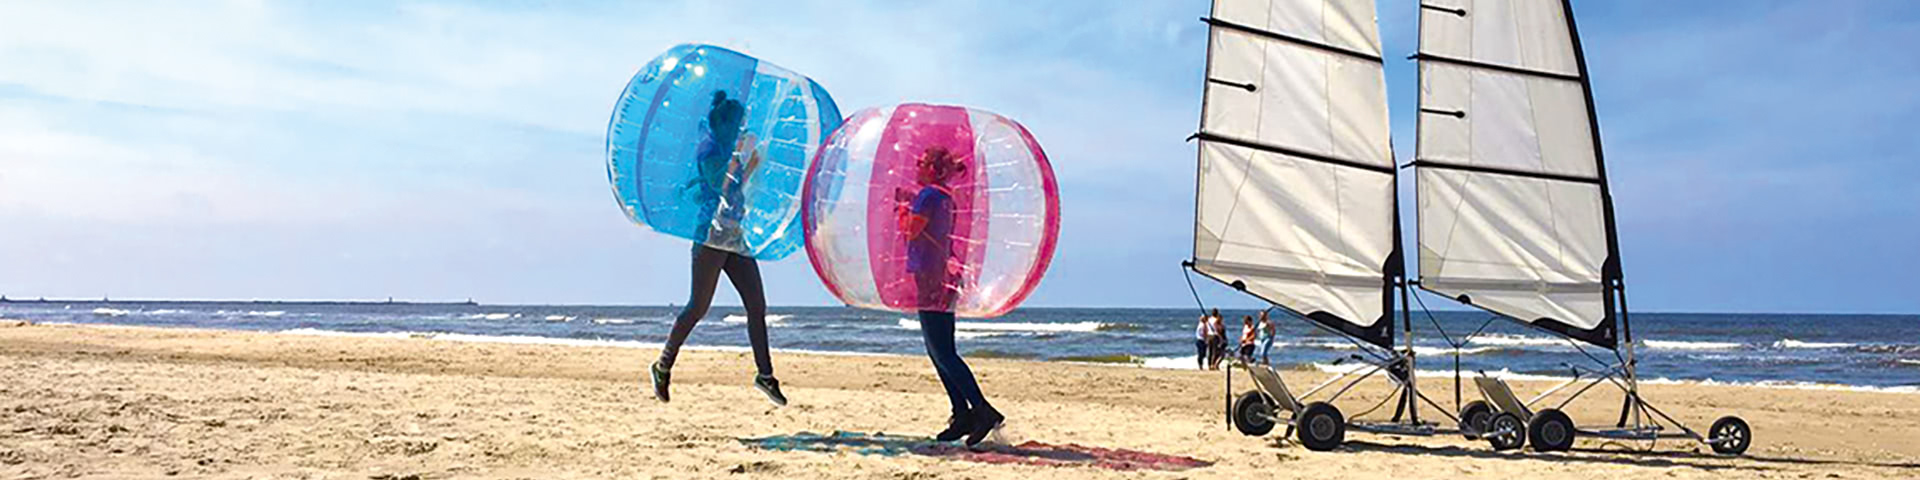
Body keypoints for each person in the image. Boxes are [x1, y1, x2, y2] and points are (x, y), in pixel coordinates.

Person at [650, 91, 787, 407]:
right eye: (738, 124)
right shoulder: (709, 149)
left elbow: (737, 186)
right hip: (710, 235)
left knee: (756, 304)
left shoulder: (726, 147)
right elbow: (721, 186)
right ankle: (663, 365)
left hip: (734, 235)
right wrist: (741, 155)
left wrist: (751, 162)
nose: (742, 128)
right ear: (725, 123)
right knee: (698, 306)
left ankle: (765, 376)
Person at [900, 146, 1002, 447]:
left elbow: (912, 231)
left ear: (932, 168)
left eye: (921, 162)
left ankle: (982, 410)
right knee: (940, 350)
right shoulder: (945, 197)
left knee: (942, 351)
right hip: (943, 275)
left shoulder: (929, 196)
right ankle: (962, 414)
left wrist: (904, 210)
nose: (916, 166)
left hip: (931, 276)